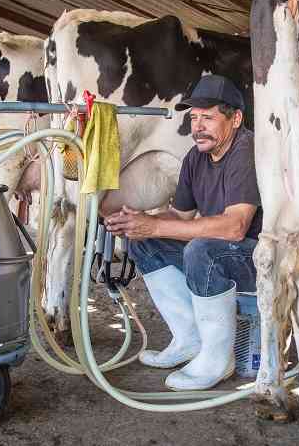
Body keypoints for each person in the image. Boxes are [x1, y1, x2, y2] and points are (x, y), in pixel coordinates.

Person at [104, 74, 262, 391]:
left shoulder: (248, 151)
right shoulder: (195, 157)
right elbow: (180, 216)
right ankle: (190, 338)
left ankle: (218, 359)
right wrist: (140, 221)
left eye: (207, 117)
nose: (197, 126)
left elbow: (235, 227)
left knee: (201, 250)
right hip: (227, 251)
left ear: (236, 119)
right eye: (193, 118)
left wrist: (157, 225)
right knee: (145, 243)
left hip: (259, 259)